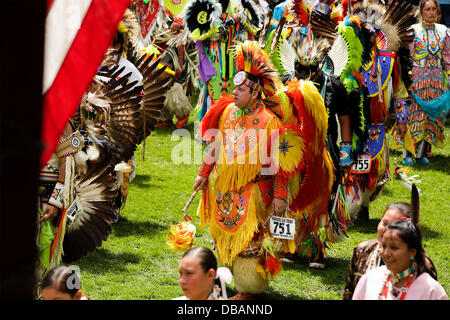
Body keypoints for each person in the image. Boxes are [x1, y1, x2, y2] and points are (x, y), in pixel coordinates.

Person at [194, 40, 334, 298]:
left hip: (257, 190)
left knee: (252, 241)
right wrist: (204, 173)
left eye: (241, 89)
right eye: (235, 88)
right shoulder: (228, 113)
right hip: (226, 187)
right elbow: (215, 144)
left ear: (256, 92)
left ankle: (248, 287)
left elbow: (279, 164)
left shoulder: (271, 122)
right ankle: (227, 281)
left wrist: (280, 196)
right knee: (224, 234)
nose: (234, 93)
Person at [343, 202, 437, 299]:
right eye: (385, 223)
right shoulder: (362, 250)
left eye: (393, 226)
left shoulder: (423, 266)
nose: (385, 230)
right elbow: (349, 292)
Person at [352, 220, 447, 300]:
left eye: (394, 248)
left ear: (412, 252)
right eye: (384, 246)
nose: (386, 253)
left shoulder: (431, 291)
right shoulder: (371, 279)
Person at [405, 0, 450, 165]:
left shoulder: (444, 31)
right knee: (414, 115)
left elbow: (447, 57)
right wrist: (407, 79)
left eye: (434, 9)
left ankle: (422, 153)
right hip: (417, 76)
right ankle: (408, 153)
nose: (431, 12)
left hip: (436, 78)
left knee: (432, 116)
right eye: (427, 9)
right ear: (421, 11)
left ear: (438, 11)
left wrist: (448, 76)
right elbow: (408, 58)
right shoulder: (413, 31)